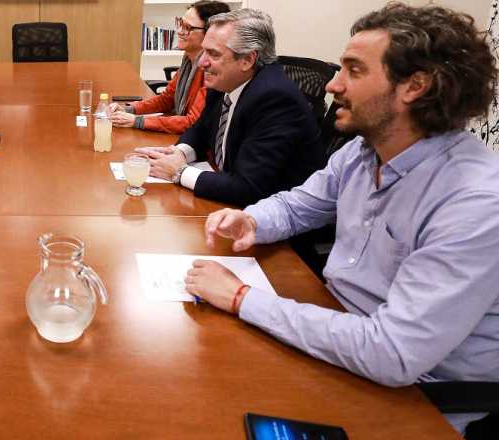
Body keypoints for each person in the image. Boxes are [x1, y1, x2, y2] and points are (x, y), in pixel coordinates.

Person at [187, 3, 499, 436]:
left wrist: (241, 297)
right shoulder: (362, 151)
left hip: (415, 397)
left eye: (353, 70)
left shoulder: (475, 203)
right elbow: (299, 204)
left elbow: (392, 353)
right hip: (336, 338)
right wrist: (252, 221)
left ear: (415, 86)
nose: (333, 84)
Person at [138, 9, 324, 207]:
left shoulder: (275, 99)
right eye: (204, 51)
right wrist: (179, 154)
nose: (202, 62)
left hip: (274, 215)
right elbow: (201, 129)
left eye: (213, 54)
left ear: (247, 60)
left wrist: (179, 172)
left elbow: (248, 187)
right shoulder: (225, 81)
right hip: (229, 199)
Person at [108, 1, 230, 134]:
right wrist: (129, 109)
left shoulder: (210, 70)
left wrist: (137, 121)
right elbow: (166, 99)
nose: (179, 31)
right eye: (180, 23)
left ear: (210, 33)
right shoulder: (188, 59)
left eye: (187, 27)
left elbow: (192, 122)